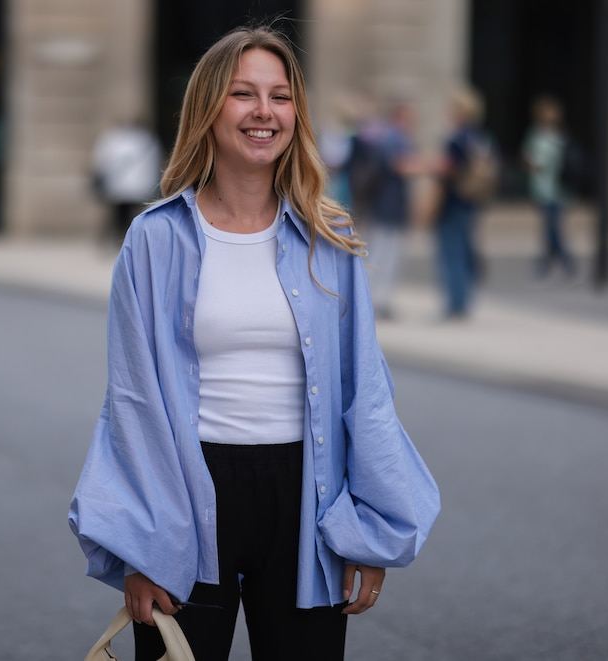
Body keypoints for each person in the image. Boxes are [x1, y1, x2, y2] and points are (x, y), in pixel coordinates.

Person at [69, 25, 440, 661]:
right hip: (187, 494)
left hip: (307, 498)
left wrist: (367, 532)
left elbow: (366, 391)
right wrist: (143, 545)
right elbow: (134, 402)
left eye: (280, 95)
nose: (264, 112)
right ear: (208, 108)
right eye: (244, 94)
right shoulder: (154, 240)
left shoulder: (332, 240)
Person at [433, 87, 491, 320]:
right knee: (465, 250)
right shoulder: (481, 138)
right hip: (472, 200)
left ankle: (455, 304)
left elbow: (447, 170)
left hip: (453, 201)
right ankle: (464, 299)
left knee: (451, 252)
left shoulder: (456, 139)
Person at [364, 101, 422, 319]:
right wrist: (429, 166)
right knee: (383, 253)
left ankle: (381, 299)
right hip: (385, 205)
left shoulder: (395, 138)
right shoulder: (393, 138)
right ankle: (376, 299)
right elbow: (399, 165)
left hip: (390, 205)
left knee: (387, 253)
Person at [522, 95, 578, 282]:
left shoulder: (552, 137)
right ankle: (550, 263)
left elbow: (540, 163)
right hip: (548, 188)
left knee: (552, 229)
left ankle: (561, 263)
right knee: (551, 228)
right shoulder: (544, 136)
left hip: (555, 188)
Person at [90, 118, 163, 242]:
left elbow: (101, 160)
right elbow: (154, 163)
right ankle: (129, 238)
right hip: (139, 185)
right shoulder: (147, 139)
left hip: (118, 184)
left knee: (119, 214)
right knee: (133, 214)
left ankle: (118, 238)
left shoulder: (112, 138)